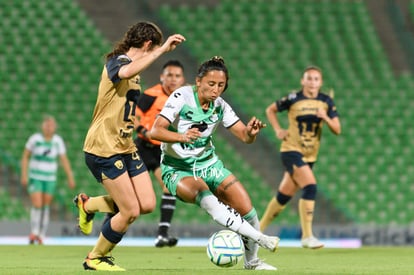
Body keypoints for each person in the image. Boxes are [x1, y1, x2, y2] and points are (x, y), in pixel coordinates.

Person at [150, 56, 280, 270]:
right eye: (211, 84)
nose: (216, 90)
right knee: (208, 200)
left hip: (209, 165)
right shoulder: (181, 96)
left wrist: (251, 132)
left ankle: (252, 262)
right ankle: (261, 238)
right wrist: (183, 137)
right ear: (198, 81)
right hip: (177, 168)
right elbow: (156, 130)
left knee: (249, 211)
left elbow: (244, 137)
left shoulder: (220, 106)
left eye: (221, 85)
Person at [74, 21, 185, 271]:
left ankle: (88, 204)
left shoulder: (134, 72)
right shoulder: (118, 62)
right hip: (103, 147)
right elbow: (123, 73)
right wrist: (162, 50)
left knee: (146, 204)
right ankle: (95, 258)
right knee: (130, 211)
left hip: (125, 146)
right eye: (152, 49)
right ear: (147, 45)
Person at [259, 66, 341, 249]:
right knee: (310, 187)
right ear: (302, 81)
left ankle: (256, 232)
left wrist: (325, 117)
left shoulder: (326, 101)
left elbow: (337, 129)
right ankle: (307, 236)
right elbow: (270, 110)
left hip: (310, 155)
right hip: (291, 150)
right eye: (309, 78)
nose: (312, 82)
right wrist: (278, 130)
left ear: (321, 83)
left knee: (283, 197)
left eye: (316, 79)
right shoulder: (293, 99)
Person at [134, 60, 186, 247]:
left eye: (177, 76)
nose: (173, 79)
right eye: (169, 75)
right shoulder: (150, 95)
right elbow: (132, 115)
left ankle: (162, 234)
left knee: (169, 186)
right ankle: (108, 219)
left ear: (182, 80)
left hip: (161, 150)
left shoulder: (183, 99)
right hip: (141, 147)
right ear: (162, 77)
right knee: (132, 195)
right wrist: (143, 131)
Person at [21, 115, 75, 245]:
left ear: (55, 127)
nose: (49, 127)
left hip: (50, 178)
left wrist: (70, 177)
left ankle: (41, 234)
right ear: (43, 126)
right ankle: (34, 231)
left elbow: (64, 159)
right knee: (37, 204)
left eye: (51, 125)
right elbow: (25, 156)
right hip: (36, 176)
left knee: (45, 205)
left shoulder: (57, 141)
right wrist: (24, 174)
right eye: (47, 125)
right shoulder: (35, 139)